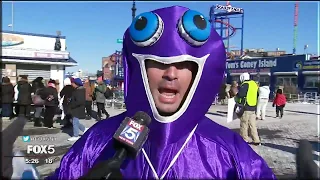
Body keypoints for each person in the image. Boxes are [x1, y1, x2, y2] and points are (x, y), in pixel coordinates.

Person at [48, 6, 275, 179]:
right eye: (159, 63)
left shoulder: (228, 151)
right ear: (140, 69)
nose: (171, 74)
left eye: (184, 65)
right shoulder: (99, 140)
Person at [235, 72, 261, 145]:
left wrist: (237, 95)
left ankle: (244, 139)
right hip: (253, 107)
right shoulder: (254, 84)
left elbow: (241, 94)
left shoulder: (245, 84)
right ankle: (256, 140)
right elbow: (257, 94)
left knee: (244, 124)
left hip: (245, 107)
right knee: (252, 125)